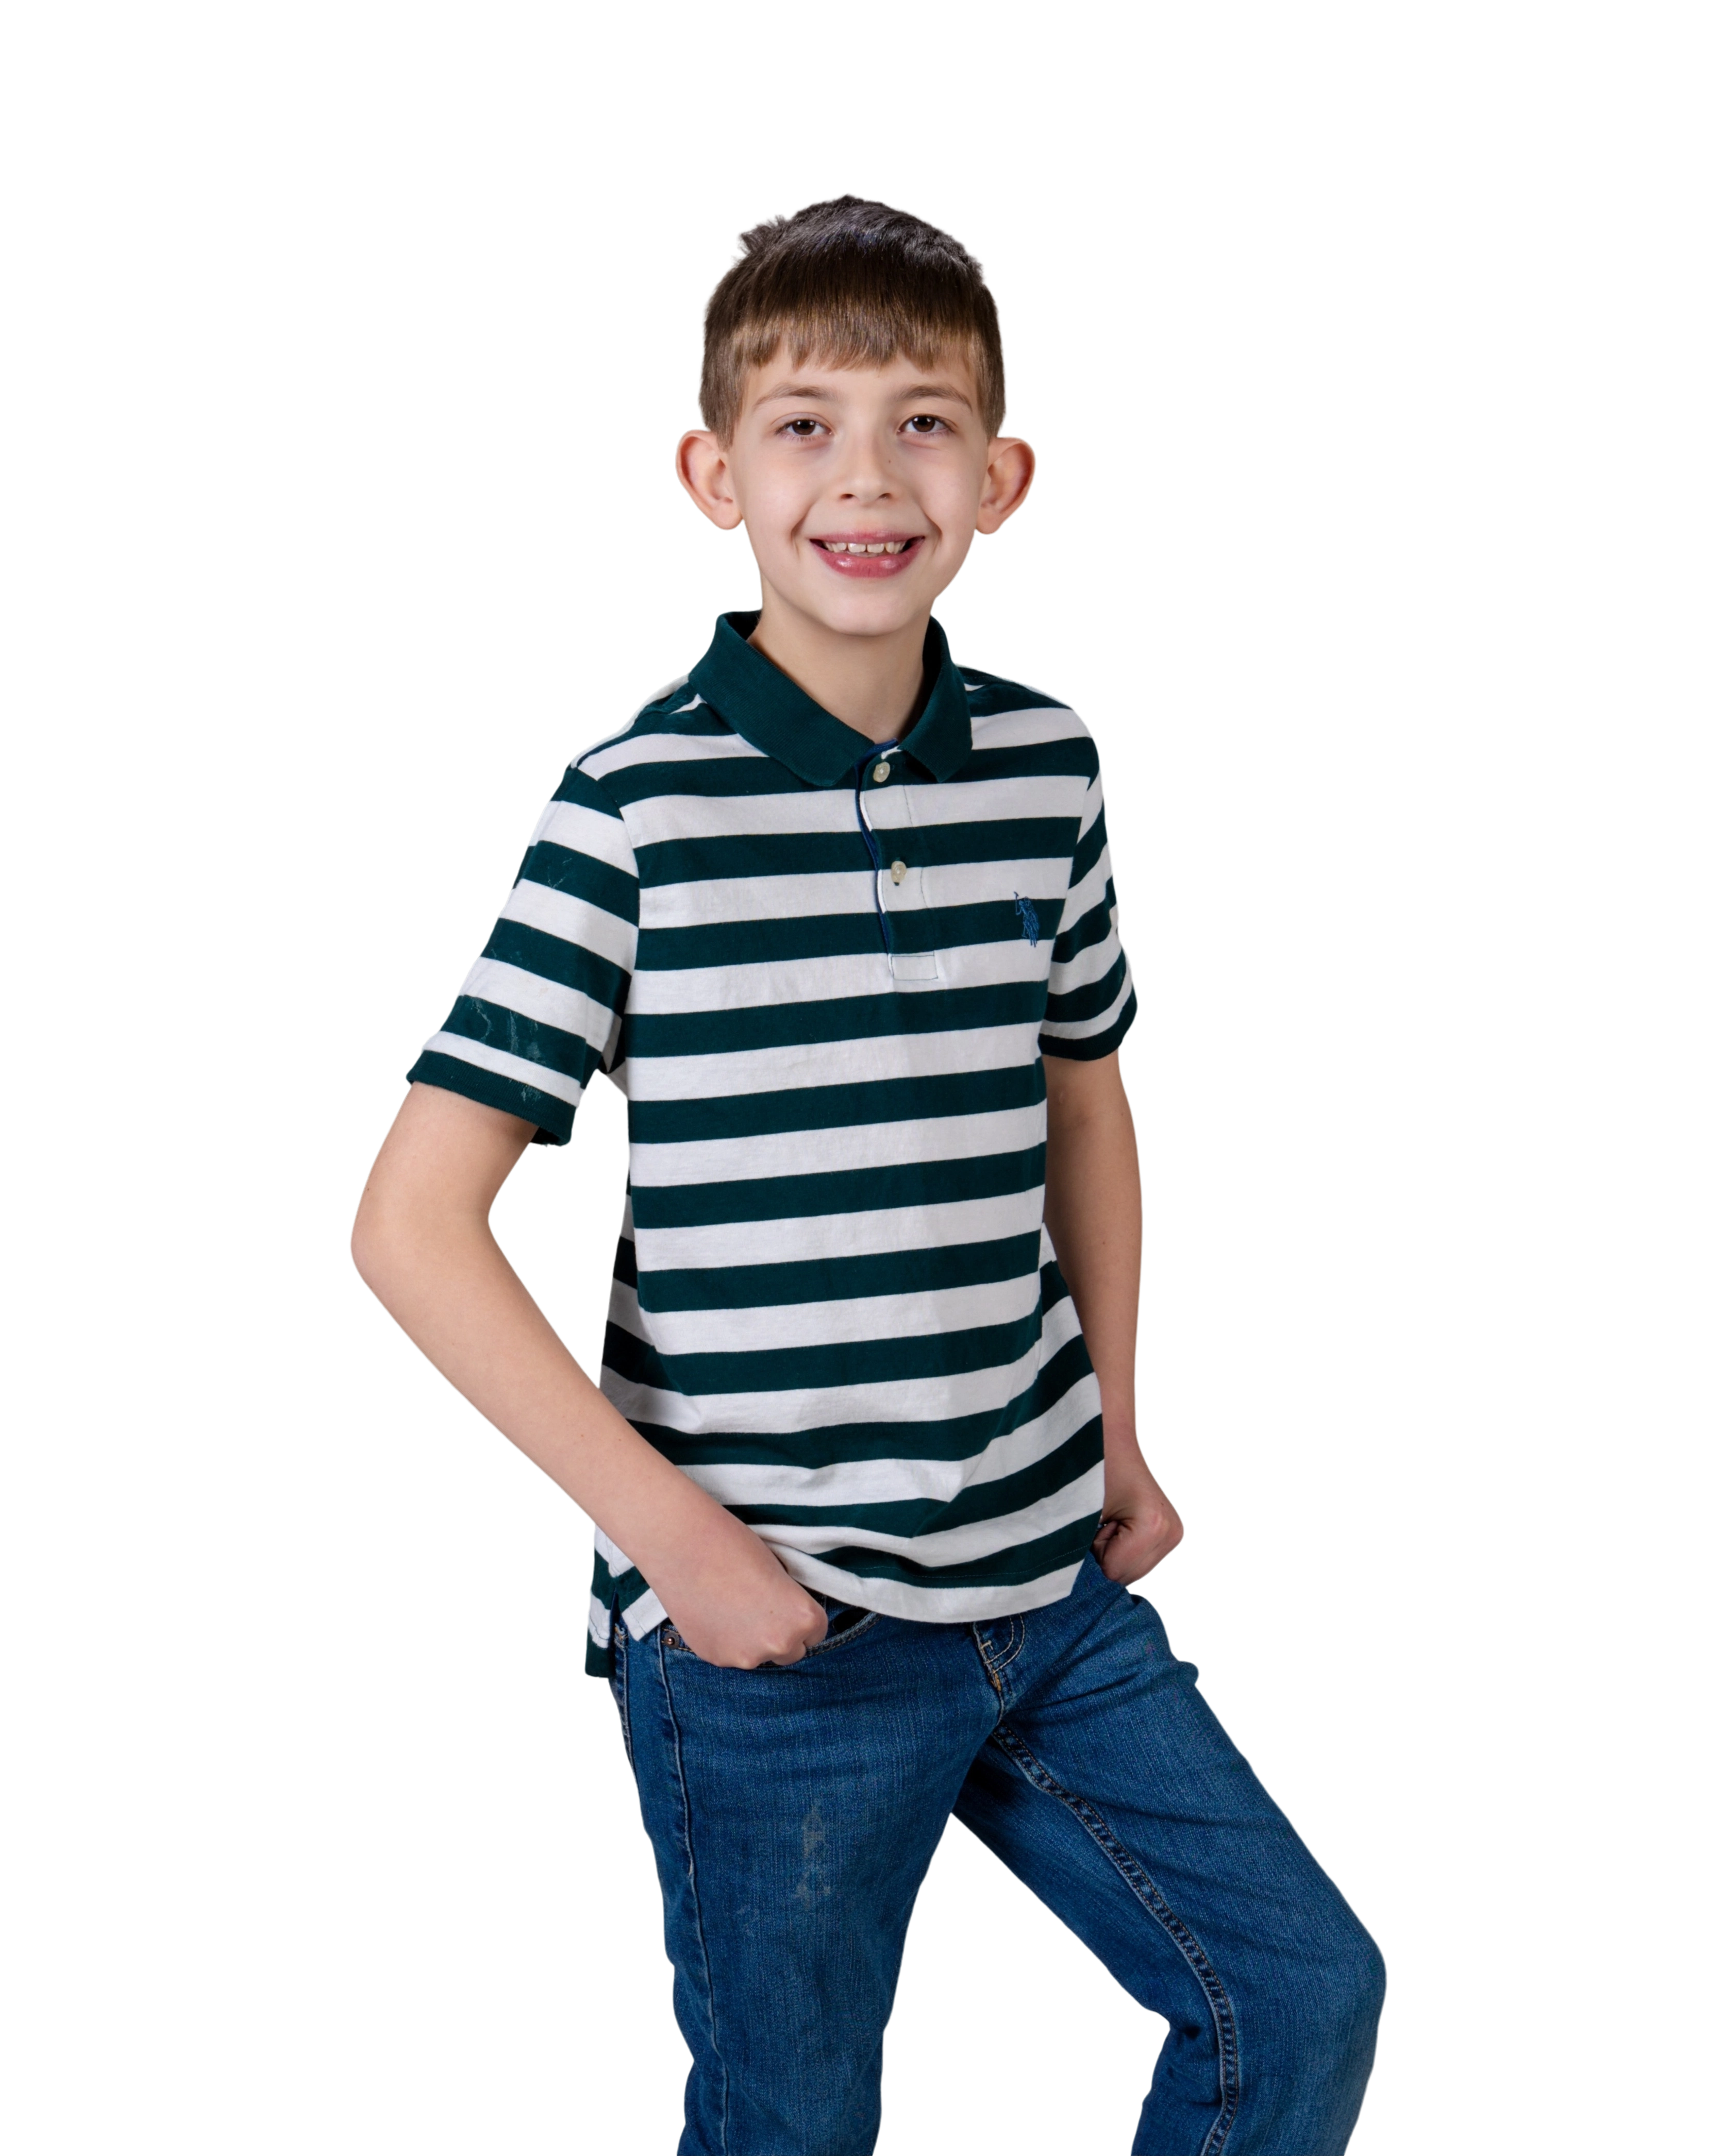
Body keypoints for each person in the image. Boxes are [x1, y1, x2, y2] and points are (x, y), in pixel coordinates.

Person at [348, 190, 1389, 2156]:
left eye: (924, 423)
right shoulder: (635, 806)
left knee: (1299, 1990)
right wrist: (677, 1545)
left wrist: (1120, 1429)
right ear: (713, 475)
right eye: (806, 423)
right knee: (795, 2123)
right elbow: (410, 1223)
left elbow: (1085, 1105)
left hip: (1048, 1573)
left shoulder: (1048, 767)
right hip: (777, 1626)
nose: (867, 477)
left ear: (1002, 476)